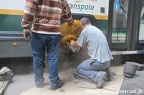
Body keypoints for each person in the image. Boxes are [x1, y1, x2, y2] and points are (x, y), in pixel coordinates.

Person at [21, 0, 74, 90]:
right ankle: (54, 83)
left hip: (38, 31)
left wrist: (25, 27)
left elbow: (29, 8)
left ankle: (39, 82)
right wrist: (70, 21)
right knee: (53, 57)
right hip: (54, 32)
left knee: (38, 57)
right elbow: (66, 11)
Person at [70, 17, 113, 88]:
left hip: (99, 63)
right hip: (108, 62)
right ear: (89, 22)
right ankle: (107, 72)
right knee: (91, 62)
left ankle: (98, 76)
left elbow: (77, 45)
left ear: (81, 25)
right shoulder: (97, 29)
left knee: (78, 69)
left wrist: (71, 43)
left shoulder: (85, 31)